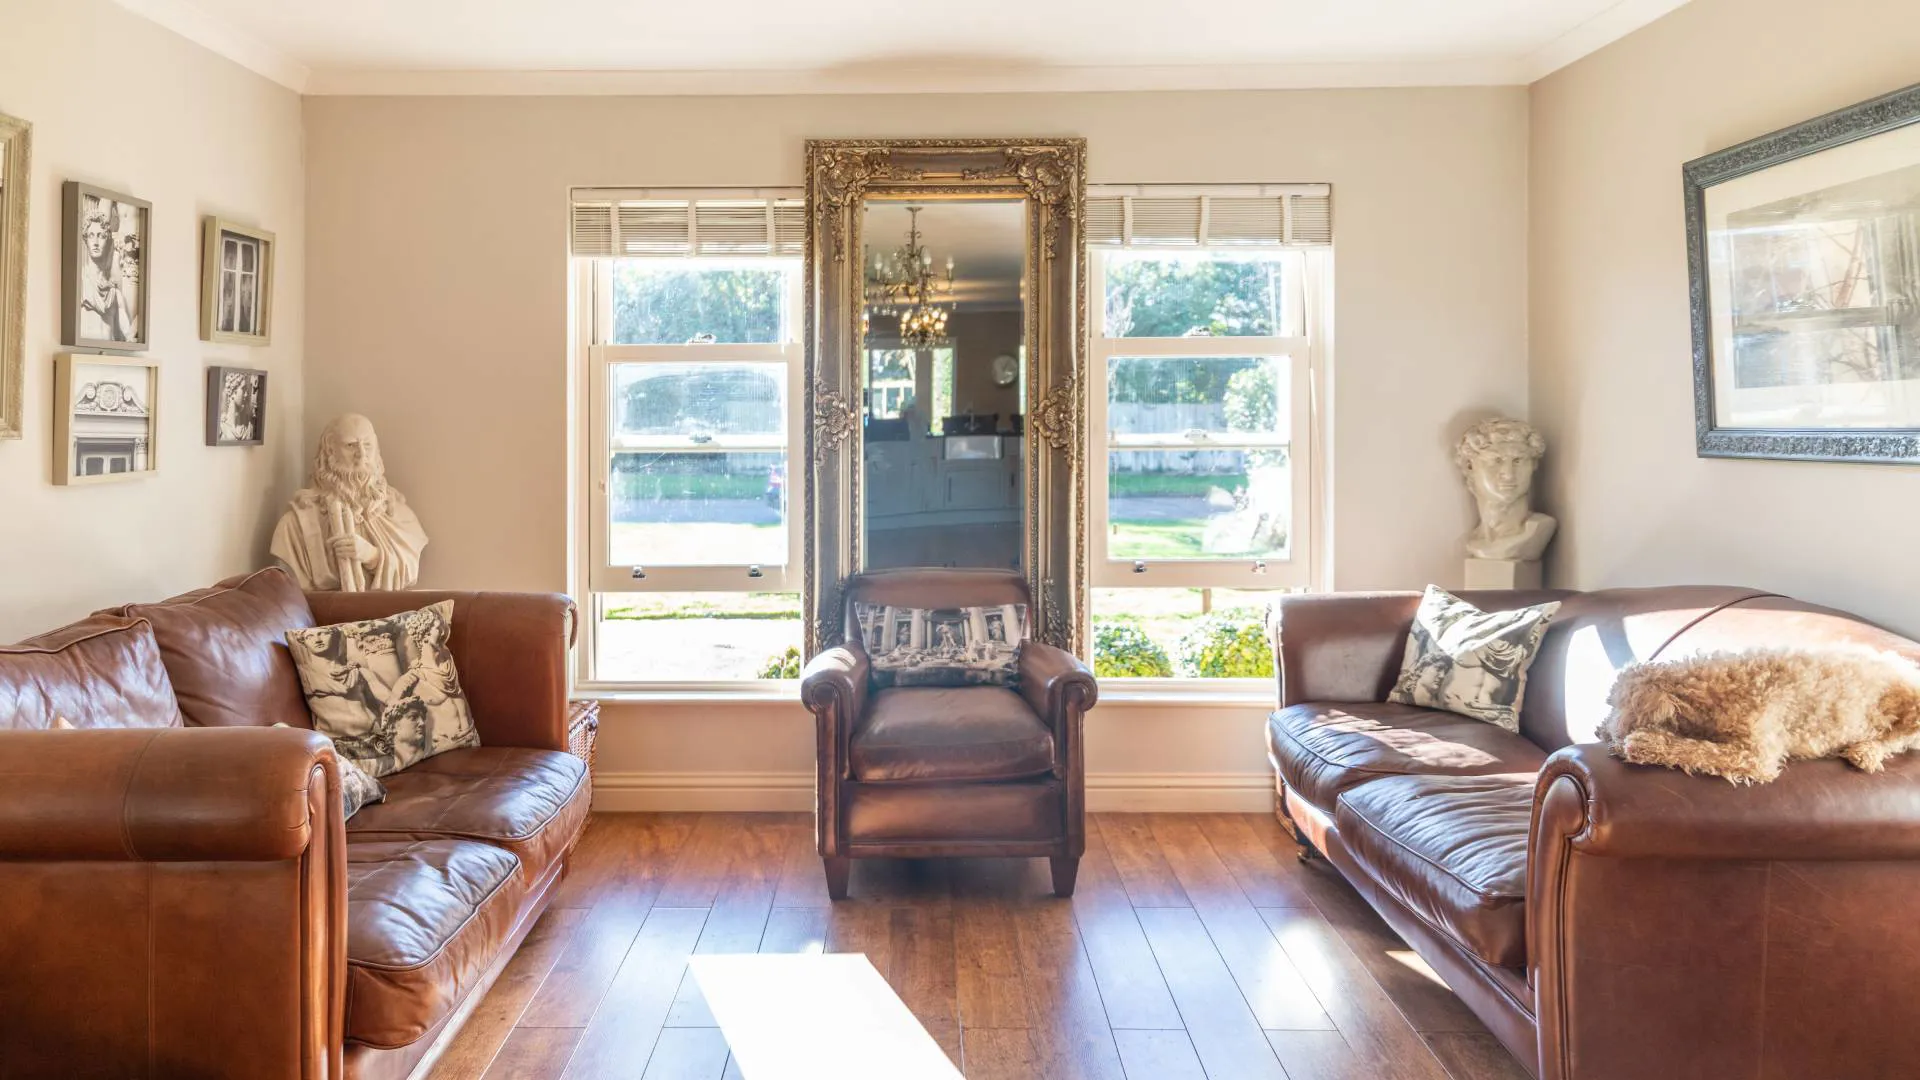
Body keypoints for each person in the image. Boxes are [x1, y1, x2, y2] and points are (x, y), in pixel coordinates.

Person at [270, 414, 429, 590]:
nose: (361, 455)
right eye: (350, 445)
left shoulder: (400, 515)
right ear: (330, 451)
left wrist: (372, 556)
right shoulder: (295, 528)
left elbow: (409, 567)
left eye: (367, 445)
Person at [77, 202, 136, 342]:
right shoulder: (79, 283)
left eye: (101, 236)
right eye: (91, 235)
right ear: (85, 239)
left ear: (108, 240)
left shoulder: (115, 294)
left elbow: (129, 338)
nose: (96, 242)